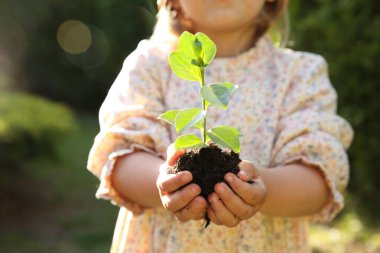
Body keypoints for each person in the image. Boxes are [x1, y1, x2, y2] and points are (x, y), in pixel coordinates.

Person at [87, 0, 354, 252]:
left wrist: (263, 189)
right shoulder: (150, 65)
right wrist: (168, 182)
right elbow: (119, 157)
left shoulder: (300, 74)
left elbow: (320, 178)